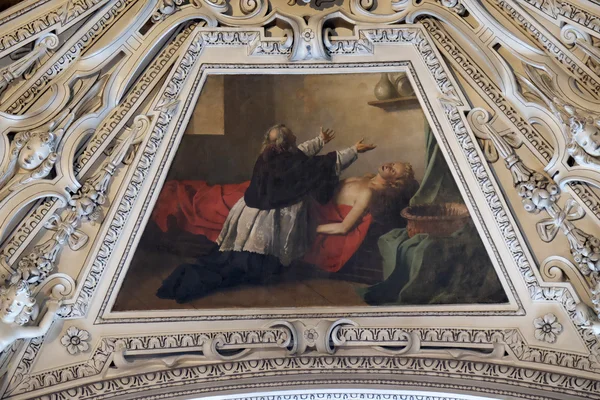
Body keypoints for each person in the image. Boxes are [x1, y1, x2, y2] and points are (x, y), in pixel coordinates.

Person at [156, 124, 375, 303]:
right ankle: (198, 279)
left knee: (231, 259)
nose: (296, 139)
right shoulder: (291, 163)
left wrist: (320, 140)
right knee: (245, 267)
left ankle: (186, 278)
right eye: (292, 138)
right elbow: (323, 163)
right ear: (286, 143)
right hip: (271, 219)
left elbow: (300, 155)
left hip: (249, 213)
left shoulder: (268, 157)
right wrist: (354, 150)